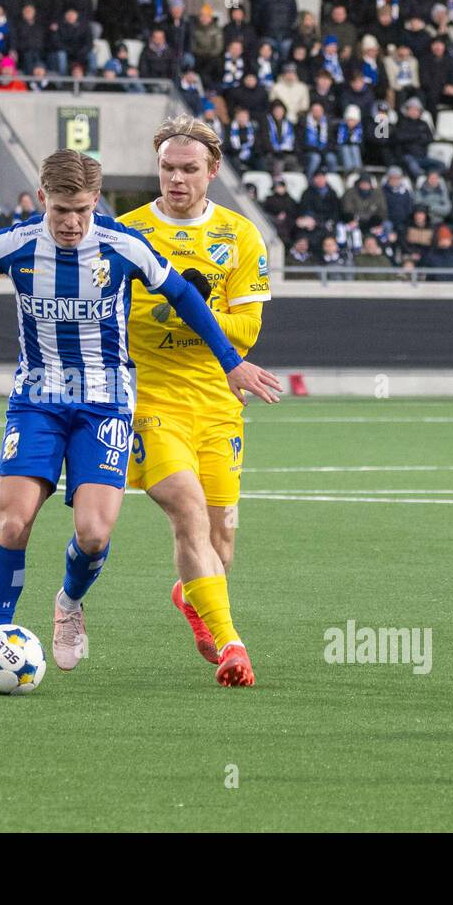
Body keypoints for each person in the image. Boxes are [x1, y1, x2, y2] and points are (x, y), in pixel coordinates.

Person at [0, 149, 280, 687]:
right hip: (37, 402)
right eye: (63, 209)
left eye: (84, 210)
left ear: (97, 203)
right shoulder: (17, 243)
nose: (72, 222)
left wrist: (231, 365)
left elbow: (183, 296)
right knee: (13, 521)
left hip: (107, 404)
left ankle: (68, 601)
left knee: (92, 534)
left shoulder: (122, 245)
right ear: (44, 198)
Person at [121, 116, 271, 686]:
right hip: (151, 395)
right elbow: (119, 316)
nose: (176, 179)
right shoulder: (128, 234)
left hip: (218, 400)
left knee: (221, 541)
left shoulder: (240, 234)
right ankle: (234, 645)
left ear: (213, 170)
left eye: (188, 169)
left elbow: (248, 329)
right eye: (166, 168)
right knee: (186, 511)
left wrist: (172, 312)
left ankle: (193, 596)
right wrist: (182, 314)